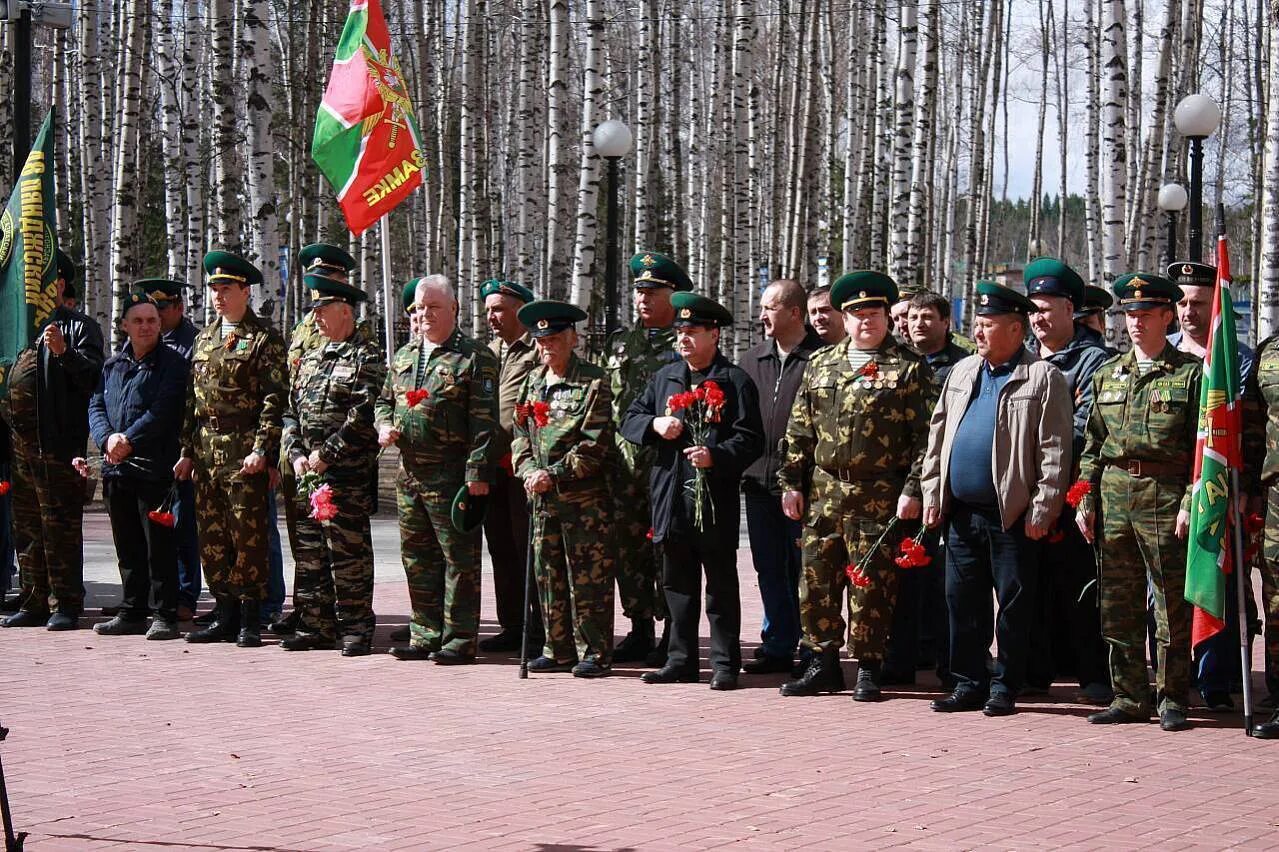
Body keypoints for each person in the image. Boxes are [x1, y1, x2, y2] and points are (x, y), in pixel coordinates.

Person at [777, 271, 934, 701]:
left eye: (874, 313)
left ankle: (868, 666)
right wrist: (791, 482)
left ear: (886, 316)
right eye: (857, 313)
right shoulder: (821, 364)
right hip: (825, 490)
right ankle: (823, 664)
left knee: (872, 584)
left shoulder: (908, 367)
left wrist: (914, 489)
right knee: (817, 581)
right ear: (844, 318)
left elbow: (926, 439)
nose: (866, 320)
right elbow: (799, 430)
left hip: (878, 493)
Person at [921, 281, 1072, 717]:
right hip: (962, 512)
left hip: (1012, 514)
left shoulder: (1042, 376)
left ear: (1015, 330)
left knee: (1013, 603)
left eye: (987, 326)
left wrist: (1044, 508)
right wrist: (934, 492)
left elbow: (1055, 450)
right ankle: (969, 680)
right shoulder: (963, 371)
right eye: (978, 325)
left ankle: (1006, 684)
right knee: (961, 600)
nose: (978, 333)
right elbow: (938, 436)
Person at [1075, 273, 1201, 732]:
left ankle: (1172, 698)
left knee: (1169, 601)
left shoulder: (1190, 375)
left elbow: (1201, 449)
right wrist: (1084, 497)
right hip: (1113, 494)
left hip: (1164, 495)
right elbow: (1092, 444)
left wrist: (1192, 499)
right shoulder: (1108, 373)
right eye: (1130, 314)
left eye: (1145, 314)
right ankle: (1129, 695)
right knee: (1117, 600)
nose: (1135, 323)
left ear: (1168, 317)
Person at [622, 292, 763, 690]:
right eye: (679, 332)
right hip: (670, 495)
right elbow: (629, 418)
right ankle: (680, 659)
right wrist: (655, 425)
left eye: (692, 331)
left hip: (712, 499)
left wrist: (715, 456)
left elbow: (751, 439)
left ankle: (723, 663)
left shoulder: (733, 380)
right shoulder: (665, 376)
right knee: (677, 585)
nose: (683, 339)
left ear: (713, 335)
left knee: (719, 586)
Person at [375, 274, 499, 664]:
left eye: (433, 307)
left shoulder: (474, 357)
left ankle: (459, 639)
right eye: (419, 308)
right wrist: (384, 424)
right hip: (409, 473)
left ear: (453, 310)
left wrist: (477, 474)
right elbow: (383, 401)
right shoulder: (406, 355)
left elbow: (484, 422)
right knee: (416, 556)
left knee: (458, 559)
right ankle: (425, 633)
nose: (425, 315)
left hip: (452, 475)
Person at [176, 251, 288, 648]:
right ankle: (224, 611)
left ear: (245, 291)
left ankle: (251, 617)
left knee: (249, 537)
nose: (218, 296)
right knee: (213, 535)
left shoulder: (264, 340)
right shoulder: (205, 338)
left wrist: (263, 450)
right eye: (214, 289)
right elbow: (192, 401)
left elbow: (274, 400)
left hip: (244, 451)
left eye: (226, 289)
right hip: (207, 454)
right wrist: (187, 450)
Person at [279, 253, 386, 656]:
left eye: (322, 311)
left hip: (346, 477)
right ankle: (314, 624)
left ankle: (356, 627)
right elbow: (290, 409)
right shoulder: (310, 357)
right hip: (307, 473)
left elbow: (363, 417)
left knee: (349, 556)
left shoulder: (367, 355)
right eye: (315, 311)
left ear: (344, 310)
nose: (317, 319)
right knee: (309, 555)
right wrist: (296, 454)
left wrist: (326, 454)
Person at [1023, 257, 1113, 703]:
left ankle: (1092, 673)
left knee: (1079, 586)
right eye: (1033, 310)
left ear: (1070, 310)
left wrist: (1026, 441)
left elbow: (1082, 427)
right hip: (1024, 491)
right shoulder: (1019, 359)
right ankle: (1034, 671)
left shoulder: (1092, 361)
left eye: (1047, 309)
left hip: (1073, 492)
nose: (1039, 318)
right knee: (1029, 585)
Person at [0, 250, 105, 630]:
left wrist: (64, 353)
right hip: (19, 450)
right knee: (26, 529)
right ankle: (33, 600)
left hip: (58, 449)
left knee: (59, 527)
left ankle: (66, 602)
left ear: (59, 285)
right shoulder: (16, 329)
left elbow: (94, 379)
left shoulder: (79, 328)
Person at [1167, 260, 1255, 711]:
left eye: (1198, 303)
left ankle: (1217, 681)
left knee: (1223, 580)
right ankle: (1172, 680)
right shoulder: (1163, 355)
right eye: (1181, 302)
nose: (1187, 312)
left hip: (1217, 490)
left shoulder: (1236, 360)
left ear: (1215, 306)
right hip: (1164, 492)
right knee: (1164, 590)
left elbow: (1239, 428)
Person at [511, 300, 615, 676]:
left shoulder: (593, 382)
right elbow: (520, 432)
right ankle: (557, 648)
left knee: (586, 576)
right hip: (541, 497)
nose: (547, 347)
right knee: (547, 573)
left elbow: (594, 445)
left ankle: (595, 650)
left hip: (581, 499)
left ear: (573, 338)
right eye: (541, 341)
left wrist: (552, 473)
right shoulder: (532, 382)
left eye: (554, 339)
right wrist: (526, 469)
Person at [83, 291, 188, 639]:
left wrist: (127, 439)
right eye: (138, 321)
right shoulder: (112, 366)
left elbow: (163, 410)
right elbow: (96, 406)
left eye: (152, 321)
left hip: (153, 469)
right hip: (116, 469)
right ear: (124, 325)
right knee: (127, 547)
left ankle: (165, 614)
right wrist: (107, 439)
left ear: (160, 325)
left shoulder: (172, 364)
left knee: (158, 547)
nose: (146, 327)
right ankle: (132, 611)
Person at [606, 251, 691, 664]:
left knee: (667, 549)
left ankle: (673, 631)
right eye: (639, 291)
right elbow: (611, 403)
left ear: (674, 295)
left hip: (666, 464)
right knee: (628, 549)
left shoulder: (686, 343)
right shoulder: (622, 342)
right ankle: (639, 625)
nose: (643, 299)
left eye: (653, 292)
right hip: (624, 465)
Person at [738, 280, 826, 675]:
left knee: (807, 570)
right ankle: (777, 644)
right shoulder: (752, 360)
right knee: (769, 568)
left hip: (807, 487)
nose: (761, 316)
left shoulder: (822, 359)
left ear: (795, 312)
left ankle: (812, 649)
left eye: (769, 307)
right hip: (759, 484)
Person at [479, 278, 544, 654]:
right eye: (488, 310)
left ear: (521, 309)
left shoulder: (536, 351)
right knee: (500, 548)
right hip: (490, 469)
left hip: (522, 468)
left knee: (527, 548)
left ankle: (537, 626)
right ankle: (512, 624)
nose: (492, 316)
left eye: (499, 309)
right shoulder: (487, 353)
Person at [137, 278, 202, 622]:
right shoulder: (150, 343)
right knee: (153, 527)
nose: (157, 317)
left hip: (182, 446)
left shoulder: (194, 343)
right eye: (152, 310)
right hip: (152, 449)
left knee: (183, 527)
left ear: (178, 307)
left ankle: (186, 596)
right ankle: (154, 594)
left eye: (162, 309)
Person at [1243, 310, 1279, 738]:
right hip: (1275, 493)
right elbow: (1252, 428)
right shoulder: (1269, 354)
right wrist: (1248, 486)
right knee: (1275, 596)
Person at [1075, 285, 1115, 352]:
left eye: (1087, 322)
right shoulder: (1061, 360)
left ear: (1102, 325)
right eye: (1077, 324)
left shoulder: (1118, 360)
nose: (1082, 329)